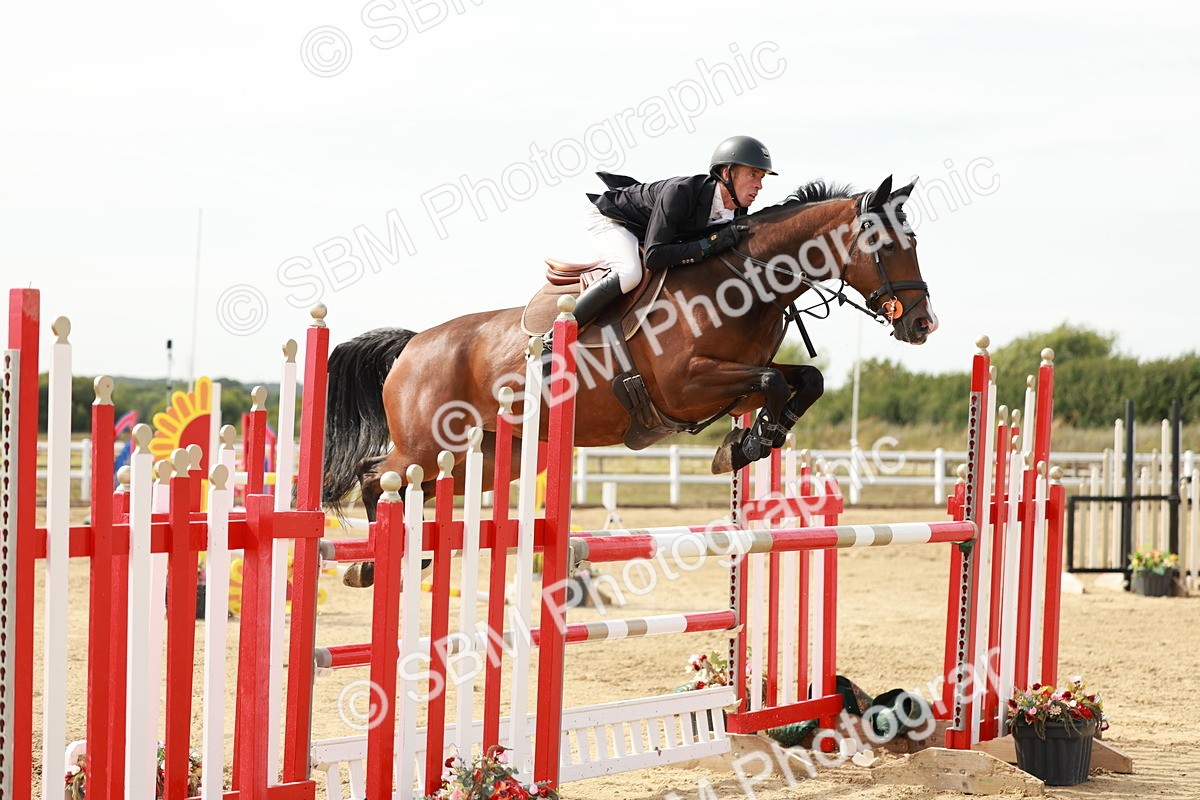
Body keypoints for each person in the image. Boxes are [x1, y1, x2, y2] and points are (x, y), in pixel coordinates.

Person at [542, 135, 776, 373]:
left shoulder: (737, 210)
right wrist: (709, 245)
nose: (759, 185)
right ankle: (555, 338)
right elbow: (654, 256)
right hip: (610, 220)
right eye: (753, 175)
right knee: (630, 273)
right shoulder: (681, 193)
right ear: (727, 173)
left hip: (646, 230)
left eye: (761, 177)